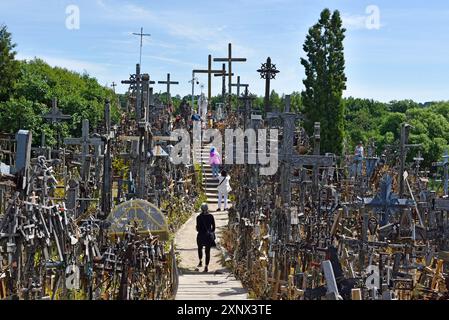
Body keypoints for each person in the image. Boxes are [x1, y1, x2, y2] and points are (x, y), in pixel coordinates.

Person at [196, 203, 216, 273]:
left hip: (201, 235)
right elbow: (213, 227)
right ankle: (206, 266)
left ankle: (200, 260)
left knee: (199, 248)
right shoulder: (211, 216)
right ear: (207, 209)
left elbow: (197, 228)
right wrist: (211, 232)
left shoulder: (198, 217)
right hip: (208, 236)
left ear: (201, 209)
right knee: (207, 252)